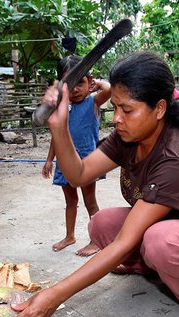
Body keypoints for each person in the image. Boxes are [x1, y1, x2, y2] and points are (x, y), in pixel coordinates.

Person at [2, 52, 179, 317]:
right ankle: (153, 267)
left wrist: (53, 297)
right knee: (100, 223)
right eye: (115, 107)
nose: (116, 119)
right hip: (166, 227)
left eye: (127, 110)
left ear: (160, 109)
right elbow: (78, 174)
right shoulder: (129, 137)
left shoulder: (176, 154)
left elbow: (126, 241)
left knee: (160, 240)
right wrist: (59, 126)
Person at [42, 56, 111, 257]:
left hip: (86, 162)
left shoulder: (93, 102)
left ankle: (96, 239)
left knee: (90, 201)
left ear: (88, 82)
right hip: (64, 162)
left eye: (80, 82)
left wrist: (96, 83)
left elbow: (108, 89)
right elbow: (56, 136)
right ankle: (70, 236)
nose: (75, 89)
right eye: (69, 84)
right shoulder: (61, 107)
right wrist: (49, 159)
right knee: (70, 201)